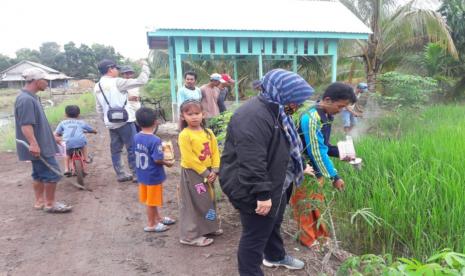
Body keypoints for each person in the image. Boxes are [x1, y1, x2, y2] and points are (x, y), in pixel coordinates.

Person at [220, 69, 314, 275]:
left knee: (273, 222)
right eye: (295, 101)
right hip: (252, 187)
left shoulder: (277, 111)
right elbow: (251, 160)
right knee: (254, 237)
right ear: (283, 95)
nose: (297, 106)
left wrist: (300, 166)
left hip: (277, 181)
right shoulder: (253, 116)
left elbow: (284, 145)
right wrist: (262, 195)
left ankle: (275, 255)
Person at [294, 83, 357, 247]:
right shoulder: (312, 117)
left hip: (315, 169)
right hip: (302, 168)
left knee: (316, 203)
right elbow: (316, 152)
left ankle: (321, 237)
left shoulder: (326, 116)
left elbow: (324, 146)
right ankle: (308, 241)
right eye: (340, 106)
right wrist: (335, 177)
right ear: (328, 100)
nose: (341, 110)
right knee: (305, 206)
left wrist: (343, 153)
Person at [14, 68, 72, 213]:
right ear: (36, 81)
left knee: (38, 174)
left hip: (42, 143)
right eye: (45, 80)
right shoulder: (26, 99)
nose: (47, 83)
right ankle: (50, 204)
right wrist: (34, 144)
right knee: (53, 174)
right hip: (39, 146)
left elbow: (40, 123)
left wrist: (53, 138)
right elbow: (26, 125)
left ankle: (40, 202)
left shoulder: (32, 97)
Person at [93, 59, 149, 182]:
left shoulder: (97, 86)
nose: (118, 70)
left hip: (111, 122)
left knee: (116, 150)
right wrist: (145, 66)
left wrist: (106, 120)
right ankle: (136, 174)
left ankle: (121, 174)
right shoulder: (117, 82)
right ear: (110, 69)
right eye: (116, 68)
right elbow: (142, 81)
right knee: (132, 148)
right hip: (125, 121)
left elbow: (99, 108)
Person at [178, 100, 221, 247]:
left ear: (203, 114)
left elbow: (215, 151)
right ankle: (190, 236)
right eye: (189, 114)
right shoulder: (184, 135)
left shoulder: (208, 133)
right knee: (194, 203)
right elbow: (189, 159)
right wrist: (205, 173)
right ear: (183, 116)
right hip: (194, 174)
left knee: (208, 200)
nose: (194, 117)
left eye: (197, 113)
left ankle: (209, 227)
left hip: (208, 172)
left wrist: (215, 170)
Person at [134, 107, 176, 232]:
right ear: (155, 122)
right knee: (151, 201)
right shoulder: (155, 140)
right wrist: (168, 163)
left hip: (142, 174)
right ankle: (151, 224)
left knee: (151, 199)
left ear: (137, 122)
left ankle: (158, 218)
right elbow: (157, 159)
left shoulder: (136, 137)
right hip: (153, 176)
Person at [54, 105, 97, 176]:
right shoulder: (81, 122)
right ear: (79, 115)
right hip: (80, 141)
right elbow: (91, 129)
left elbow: (56, 133)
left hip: (68, 142)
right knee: (84, 144)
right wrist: (94, 131)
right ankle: (86, 158)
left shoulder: (62, 123)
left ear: (65, 114)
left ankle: (66, 169)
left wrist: (58, 135)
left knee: (66, 153)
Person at [120, 65, 142, 132]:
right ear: (122, 74)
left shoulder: (135, 83)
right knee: (132, 132)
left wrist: (138, 98)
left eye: (130, 73)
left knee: (139, 130)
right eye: (126, 73)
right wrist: (129, 98)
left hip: (137, 110)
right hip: (128, 113)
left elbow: (138, 94)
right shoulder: (120, 84)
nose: (129, 75)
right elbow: (118, 98)